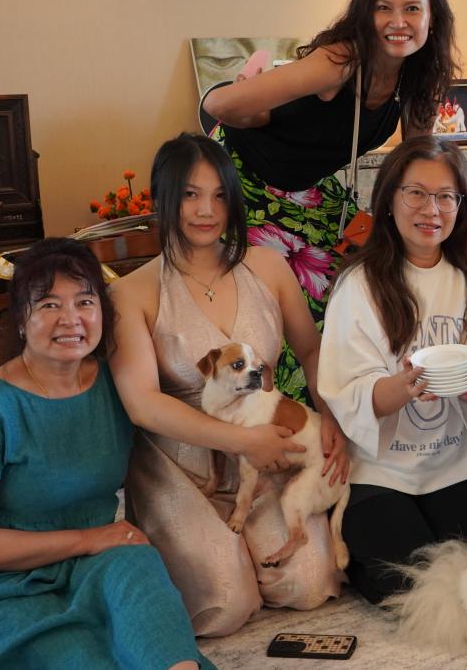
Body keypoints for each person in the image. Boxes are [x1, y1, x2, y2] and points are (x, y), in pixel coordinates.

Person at [0, 238, 210, 670]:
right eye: (49, 305)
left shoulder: (117, 385)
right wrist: (87, 539)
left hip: (88, 557)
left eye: (85, 301)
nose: (71, 319)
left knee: (141, 573)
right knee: (81, 653)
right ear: (20, 320)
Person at [110, 133, 350, 635]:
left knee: (306, 584)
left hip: (267, 460)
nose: (207, 210)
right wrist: (243, 442)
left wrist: (333, 418)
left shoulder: (267, 266)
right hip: (181, 467)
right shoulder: (132, 292)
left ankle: (251, 549)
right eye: (190, 195)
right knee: (225, 602)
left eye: (220, 195)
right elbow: (141, 404)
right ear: (164, 198)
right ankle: (226, 560)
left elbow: (311, 351)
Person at [201, 0, 457, 400]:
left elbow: (417, 161)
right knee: (295, 306)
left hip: (310, 188)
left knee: (356, 281)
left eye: (412, 9)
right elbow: (218, 106)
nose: (398, 21)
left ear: (431, 18)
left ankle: (352, 401)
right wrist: (258, 109)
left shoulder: (417, 78)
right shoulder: (339, 61)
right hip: (249, 178)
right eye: (383, 8)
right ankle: (286, 414)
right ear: (365, 13)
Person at [319, 136, 467, 604]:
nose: (431, 209)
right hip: (381, 473)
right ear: (389, 198)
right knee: (413, 589)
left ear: (462, 205)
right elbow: (347, 390)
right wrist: (402, 387)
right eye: (416, 193)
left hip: (457, 464)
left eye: (446, 196)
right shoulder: (359, 285)